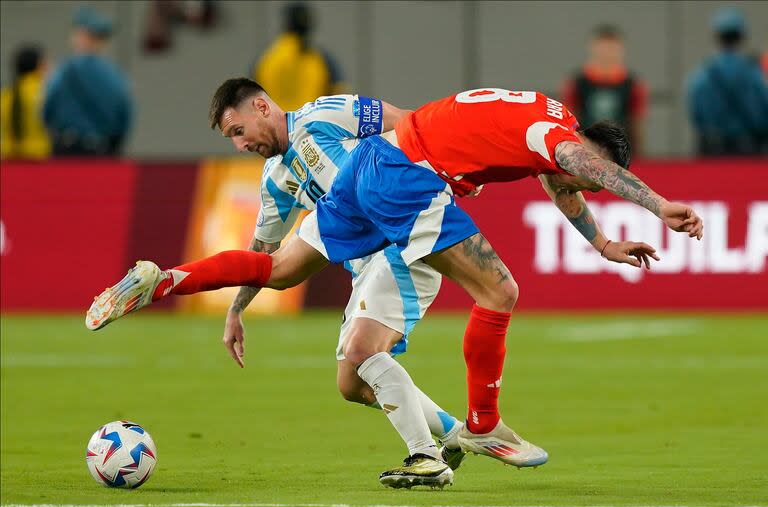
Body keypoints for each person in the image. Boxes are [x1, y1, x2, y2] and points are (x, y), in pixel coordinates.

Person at [87, 86, 703, 480]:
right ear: (589, 145)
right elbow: (573, 163)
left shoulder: (542, 118)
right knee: (501, 292)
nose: (581, 186)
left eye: (238, 133)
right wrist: (659, 204)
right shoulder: (559, 137)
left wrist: (599, 242)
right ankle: (479, 430)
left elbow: (560, 176)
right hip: (404, 181)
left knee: (326, 338)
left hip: (368, 169)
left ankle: (166, 278)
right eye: (591, 175)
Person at [89, 79, 461, 489]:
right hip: (367, 264)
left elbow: (409, 122)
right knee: (351, 384)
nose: (239, 145)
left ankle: (427, 456)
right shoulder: (275, 178)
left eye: (238, 131)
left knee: (359, 351)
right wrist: (237, 308)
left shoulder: (327, 114)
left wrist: (454, 170)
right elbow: (263, 251)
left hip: (403, 240)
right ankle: (457, 435)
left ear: (263, 108)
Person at [43, 6, 134, 156]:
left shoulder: (63, 72)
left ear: (79, 35)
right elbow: (125, 115)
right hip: (104, 149)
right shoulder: (116, 75)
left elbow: (47, 111)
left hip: (68, 149)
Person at [686, 7, 768, 155]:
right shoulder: (755, 73)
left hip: (712, 150)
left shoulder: (702, 74)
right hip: (750, 151)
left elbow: (696, 114)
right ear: (742, 36)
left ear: (716, 36)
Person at [561, 24, 648, 155]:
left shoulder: (633, 84)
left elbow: (636, 125)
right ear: (593, 49)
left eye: (612, 49)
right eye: (602, 48)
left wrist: (638, 156)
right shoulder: (577, 83)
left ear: (621, 50)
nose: (607, 54)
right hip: (585, 154)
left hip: (619, 154)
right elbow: (569, 124)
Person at [253, 3, 345, 112]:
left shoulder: (265, 59)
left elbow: (250, 99)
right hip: (309, 125)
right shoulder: (322, 60)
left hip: (274, 124)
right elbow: (340, 100)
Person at [0, 45, 51, 160]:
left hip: (8, 157)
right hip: (39, 156)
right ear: (40, 66)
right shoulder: (44, 93)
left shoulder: (6, 95)